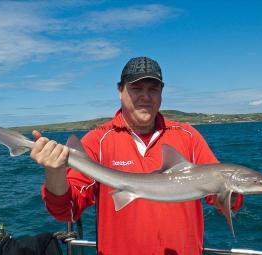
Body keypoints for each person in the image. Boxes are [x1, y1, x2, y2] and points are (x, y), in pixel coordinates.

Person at [30, 57, 244, 255]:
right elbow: (66, 211)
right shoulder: (98, 141)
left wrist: (231, 195)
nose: (145, 96)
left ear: (162, 92)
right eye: (136, 88)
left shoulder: (188, 136)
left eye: (153, 89)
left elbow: (224, 201)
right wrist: (54, 171)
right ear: (120, 90)